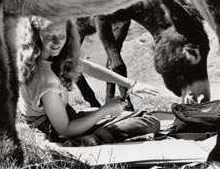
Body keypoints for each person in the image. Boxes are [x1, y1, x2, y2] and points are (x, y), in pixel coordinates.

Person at [17, 16, 160, 146]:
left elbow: (88, 67)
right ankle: (88, 140)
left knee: (140, 117)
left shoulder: (46, 57)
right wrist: (105, 110)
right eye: (50, 36)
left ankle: (93, 134)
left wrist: (130, 84)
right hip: (59, 128)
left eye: (62, 36)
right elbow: (65, 129)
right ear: (36, 35)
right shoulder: (46, 80)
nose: (57, 42)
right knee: (149, 122)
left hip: (63, 118)